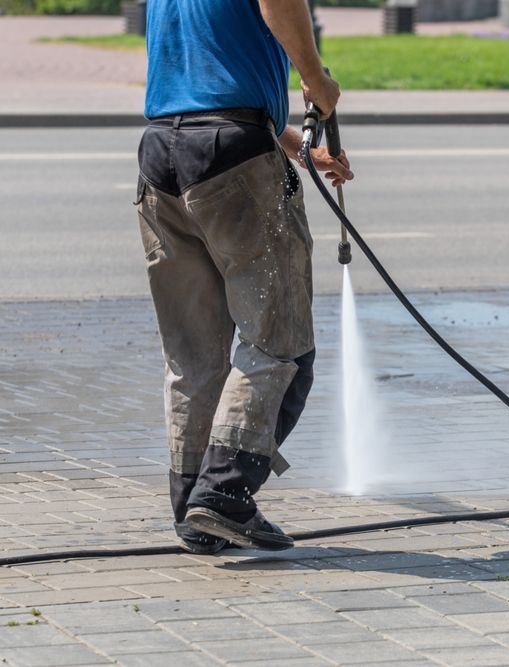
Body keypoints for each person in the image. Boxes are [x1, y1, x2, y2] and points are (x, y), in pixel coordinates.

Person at [135, 0, 353, 554]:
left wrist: (293, 144)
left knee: (193, 354)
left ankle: (194, 508)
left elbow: (204, 76)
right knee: (280, 345)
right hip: (231, 155)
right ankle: (225, 496)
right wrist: (315, 77)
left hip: (163, 153)